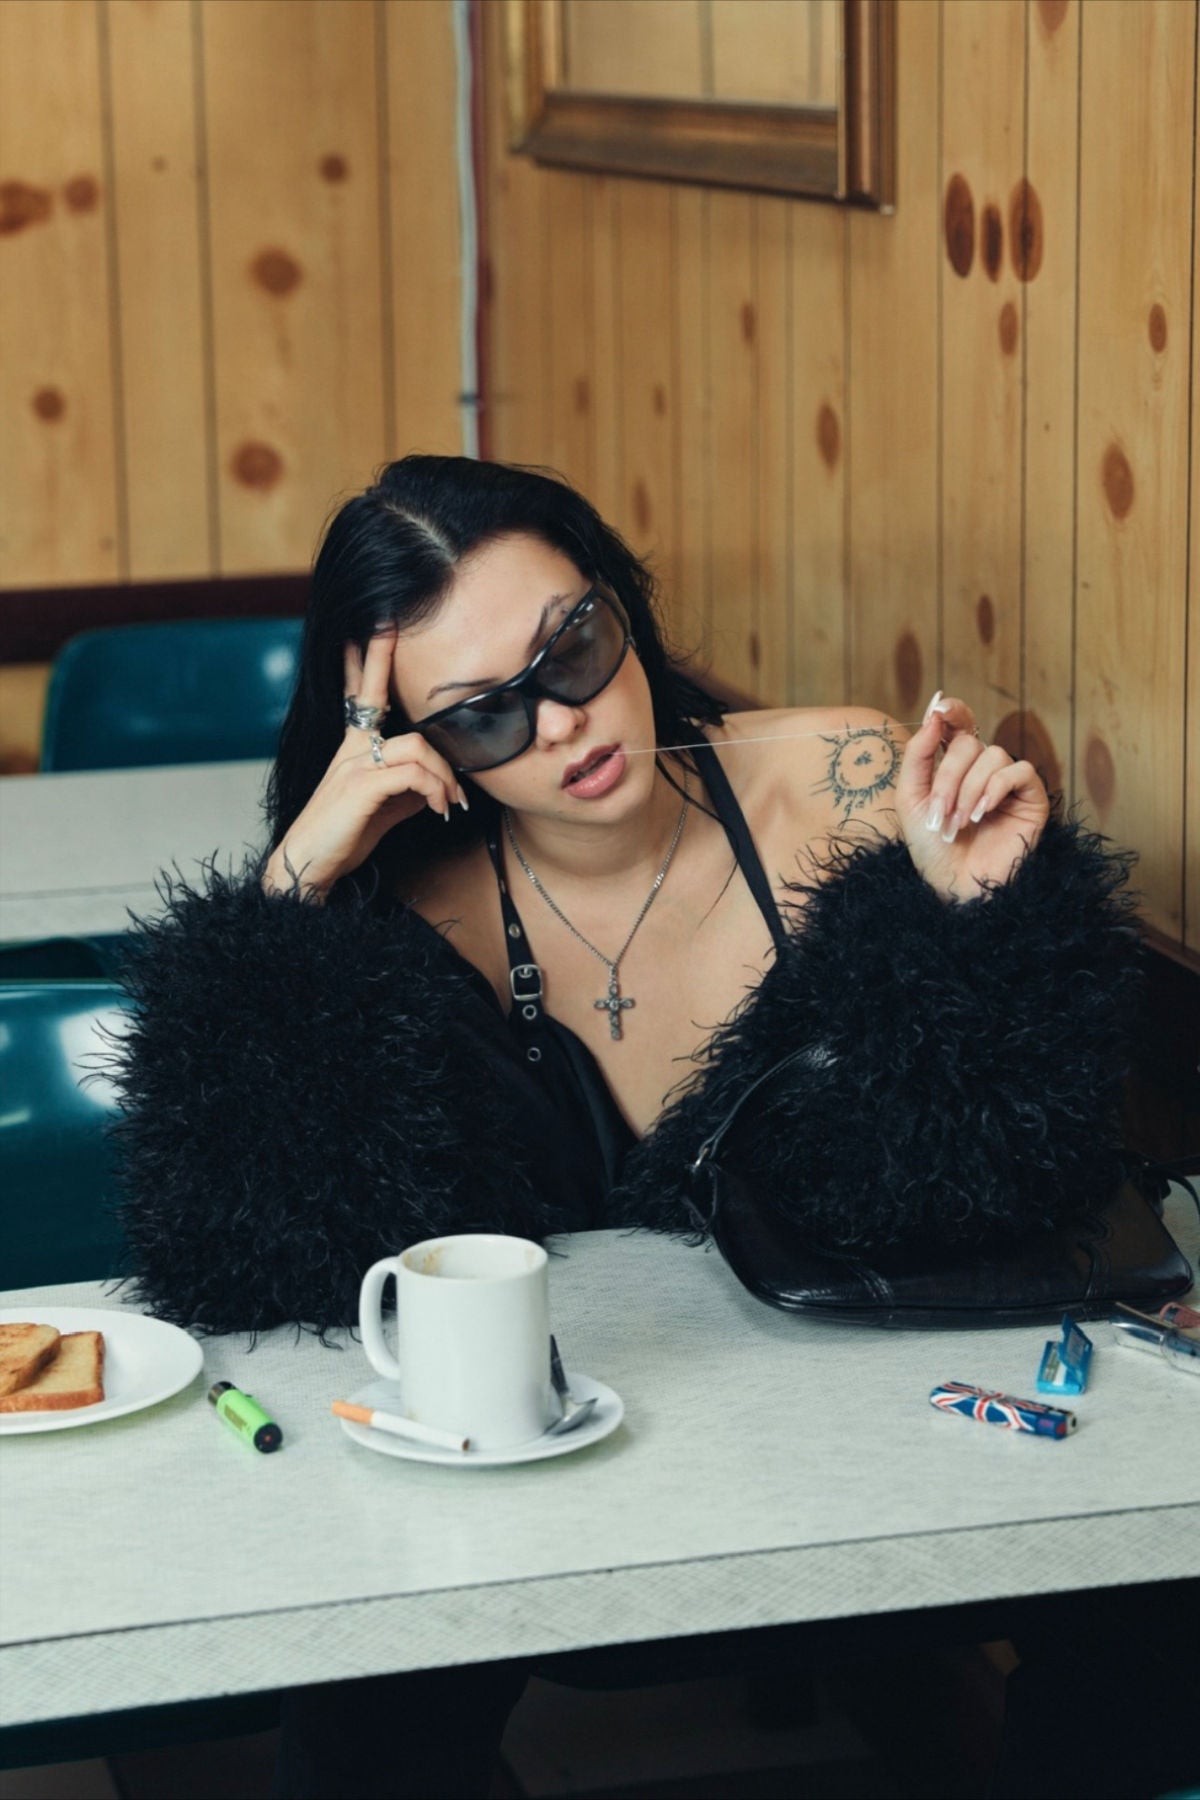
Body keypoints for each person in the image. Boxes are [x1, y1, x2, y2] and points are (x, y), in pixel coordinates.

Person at [109, 455, 1146, 1798]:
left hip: (872, 1437)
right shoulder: (396, 909)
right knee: (367, 1712)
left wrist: (977, 919)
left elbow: (1003, 1161)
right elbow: (244, 1256)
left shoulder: (840, 781)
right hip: (532, 1476)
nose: (562, 722)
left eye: (575, 649)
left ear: (623, 601)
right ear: (412, 744)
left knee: (1149, 1612)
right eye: (484, 714)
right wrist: (294, 885)